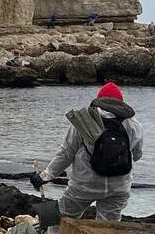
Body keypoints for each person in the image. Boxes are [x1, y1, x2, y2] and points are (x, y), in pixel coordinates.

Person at [31, 82, 143, 222]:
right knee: (108, 227)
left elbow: (66, 153)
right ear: (121, 102)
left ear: (98, 100)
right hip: (119, 187)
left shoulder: (84, 120)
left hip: (85, 185)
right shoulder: (133, 124)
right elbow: (137, 154)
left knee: (64, 217)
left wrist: (46, 176)